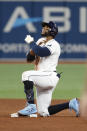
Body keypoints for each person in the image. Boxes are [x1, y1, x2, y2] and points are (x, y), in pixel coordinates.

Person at [18, 21, 80, 117]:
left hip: (49, 76)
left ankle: (31, 106)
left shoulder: (54, 44)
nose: (43, 28)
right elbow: (29, 59)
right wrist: (33, 48)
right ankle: (71, 103)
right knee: (43, 112)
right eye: (44, 27)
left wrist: (32, 43)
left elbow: (43, 52)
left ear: (52, 31)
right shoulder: (39, 41)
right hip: (41, 79)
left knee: (26, 75)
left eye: (47, 27)